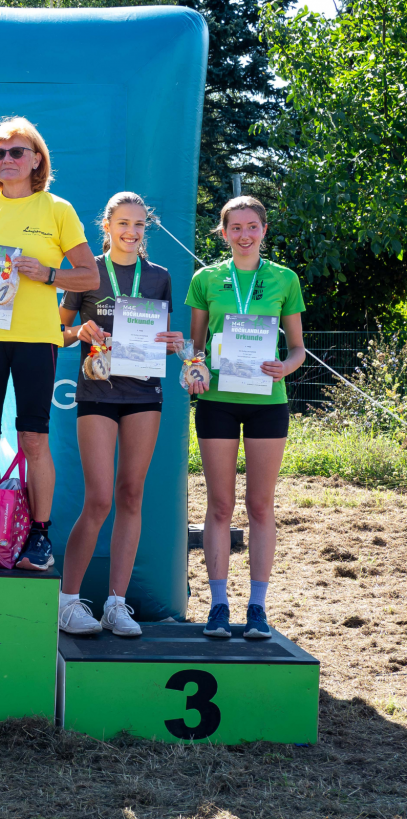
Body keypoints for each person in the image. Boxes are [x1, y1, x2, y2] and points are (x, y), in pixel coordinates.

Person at [0, 116, 100, 570]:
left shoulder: (57, 209)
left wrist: (49, 274)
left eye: (17, 152)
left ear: (37, 159)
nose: (7, 159)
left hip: (37, 339)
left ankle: (39, 536)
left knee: (33, 439)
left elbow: (90, 276)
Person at [57, 192, 185, 636]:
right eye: (123, 223)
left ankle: (116, 604)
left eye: (139, 224)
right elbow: (58, 331)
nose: (131, 232)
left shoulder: (160, 277)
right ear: (107, 225)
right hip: (97, 392)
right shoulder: (88, 271)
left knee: (131, 495)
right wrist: (79, 329)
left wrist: (172, 343)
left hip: (144, 393)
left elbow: (159, 340)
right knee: (99, 499)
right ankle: (67, 603)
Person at [185, 195, 306, 640]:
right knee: (219, 505)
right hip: (217, 401)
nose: (244, 235)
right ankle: (218, 606)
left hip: (267, 402)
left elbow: (298, 348)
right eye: (235, 227)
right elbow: (195, 347)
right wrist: (193, 368)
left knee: (260, 505)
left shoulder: (284, 279)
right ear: (223, 233)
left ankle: (258, 608)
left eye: (252, 226)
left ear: (264, 230)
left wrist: (285, 367)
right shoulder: (206, 279)